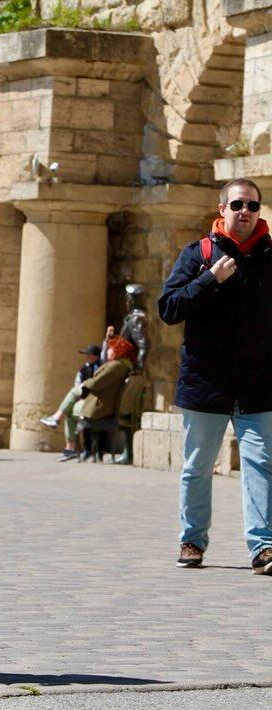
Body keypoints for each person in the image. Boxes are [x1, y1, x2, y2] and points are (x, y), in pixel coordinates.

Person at [158, 177, 272, 573]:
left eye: (253, 205)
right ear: (222, 208)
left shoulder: (270, 257)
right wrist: (209, 281)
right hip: (205, 383)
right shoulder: (198, 254)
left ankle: (264, 547)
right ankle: (192, 541)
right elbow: (168, 308)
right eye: (237, 204)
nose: (245, 212)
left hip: (258, 385)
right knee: (197, 467)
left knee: (260, 465)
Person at [74, 337, 135, 461]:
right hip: (103, 401)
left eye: (111, 349)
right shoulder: (121, 365)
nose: (108, 351)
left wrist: (85, 383)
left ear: (118, 351)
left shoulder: (116, 366)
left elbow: (97, 383)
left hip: (101, 405)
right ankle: (58, 416)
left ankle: (75, 446)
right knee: (72, 401)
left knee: (72, 406)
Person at [40, 344, 102, 461]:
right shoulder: (83, 370)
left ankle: (57, 418)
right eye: (86, 354)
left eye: (89, 355)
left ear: (96, 356)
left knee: (73, 396)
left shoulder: (101, 369)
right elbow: (78, 385)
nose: (86, 357)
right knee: (69, 411)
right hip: (83, 401)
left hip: (93, 403)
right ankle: (70, 447)